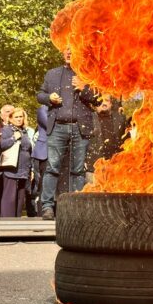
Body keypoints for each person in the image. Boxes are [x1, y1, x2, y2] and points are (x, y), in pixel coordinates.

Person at [37, 48, 99, 220]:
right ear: (62, 53)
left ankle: (76, 207)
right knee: (52, 167)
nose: (70, 53)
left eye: (73, 50)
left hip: (80, 128)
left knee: (78, 170)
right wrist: (49, 98)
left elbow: (99, 98)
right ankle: (47, 207)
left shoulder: (88, 74)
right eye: (67, 50)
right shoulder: (52, 74)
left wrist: (84, 87)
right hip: (57, 127)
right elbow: (39, 94)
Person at [0, 107, 33, 217]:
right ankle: (6, 223)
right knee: (9, 196)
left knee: (20, 197)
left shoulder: (24, 131)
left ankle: (16, 222)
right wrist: (14, 138)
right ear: (11, 118)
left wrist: (31, 168)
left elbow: (28, 150)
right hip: (11, 168)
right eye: (16, 117)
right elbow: (2, 145)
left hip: (24, 169)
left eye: (21, 116)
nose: (19, 119)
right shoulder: (7, 129)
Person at [85, 95, 126, 184]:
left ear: (111, 104)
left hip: (115, 167)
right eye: (100, 101)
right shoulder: (88, 119)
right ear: (94, 104)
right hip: (93, 166)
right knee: (94, 195)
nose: (103, 103)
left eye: (106, 101)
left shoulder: (121, 119)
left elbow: (126, 141)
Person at [31, 105, 49, 215]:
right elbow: (50, 125)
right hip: (44, 152)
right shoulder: (43, 109)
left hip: (61, 152)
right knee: (43, 184)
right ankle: (42, 214)